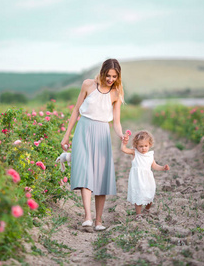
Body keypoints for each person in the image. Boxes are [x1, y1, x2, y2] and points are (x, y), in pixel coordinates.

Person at [61, 58, 126, 231]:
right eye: (108, 75)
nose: (110, 79)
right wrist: (66, 135)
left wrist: (121, 136)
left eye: (114, 76)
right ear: (102, 72)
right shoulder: (88, 85)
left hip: (103, 133)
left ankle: (98, 220)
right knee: (84, 171)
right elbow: (76, 110)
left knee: (101, 177)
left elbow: (117, 122)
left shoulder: (116, 93)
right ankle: (87, 217)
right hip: (83, 130)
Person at [121, 130, 170, 220]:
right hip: (137, 180)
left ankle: (147, 209)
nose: (143, 148)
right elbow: (124, 149)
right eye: (141, 146)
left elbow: (154, 166)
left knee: (150, 197)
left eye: (146, 146)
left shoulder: (150, 155)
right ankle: (138, 214)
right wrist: (124, 143)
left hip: (147, 180)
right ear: (136, 146)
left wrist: (163, 168)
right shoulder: (135, 153)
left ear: (150, 144)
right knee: (139, 196)